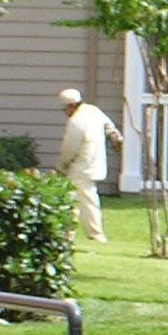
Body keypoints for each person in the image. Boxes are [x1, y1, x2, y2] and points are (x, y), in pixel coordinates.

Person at [52, 88, 123, 244]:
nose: (64, 112)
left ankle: (93, 235)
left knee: (80, 200)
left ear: (71, 106)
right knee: (79, 200)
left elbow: (69, 149)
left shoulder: (76, 122)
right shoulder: (93, 111)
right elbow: (110, 128)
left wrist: (60, 167)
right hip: (95, 164)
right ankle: (70, 234)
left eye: (65, 108)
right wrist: (116, 138)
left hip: (81, 167)